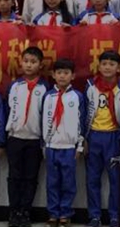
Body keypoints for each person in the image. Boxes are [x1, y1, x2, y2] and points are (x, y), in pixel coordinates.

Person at [85, 51, 120, 227]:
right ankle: (94, 216)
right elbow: (84, 112)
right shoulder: (91, 86)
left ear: (118, 68)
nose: (107, 67)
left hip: (114, 137)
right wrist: (83, 138)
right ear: (99, 66)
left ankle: (115, 215)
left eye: (112, 64)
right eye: (104, 64)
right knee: (92, 179)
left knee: (115, 179)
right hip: (94, 135)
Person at [5, 47, 49, 227]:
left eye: (33, 62)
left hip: (34, 140)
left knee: (30, 177)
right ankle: (13, 211)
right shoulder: (14, 86)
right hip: (15, 138)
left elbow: (47, 115)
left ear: (40, 65)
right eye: (26, 61)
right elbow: (7, 111)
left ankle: (25, 211)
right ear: (21, 63)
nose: (29, 65)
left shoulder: (45, 88)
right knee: (14, 176)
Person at [42, 58, 86, 227]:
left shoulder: (77, 97)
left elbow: (81, 122)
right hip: (51, 146)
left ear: (73, 76)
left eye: (66, 73)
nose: (62, 76)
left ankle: (65, 213)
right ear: (53, 75)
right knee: (52, 183)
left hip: (69, 148)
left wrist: (79, 146)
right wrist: (43, 145)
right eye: (59, 73)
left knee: (68, 183)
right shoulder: (48, 96)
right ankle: (53, 213)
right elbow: (42, 121)